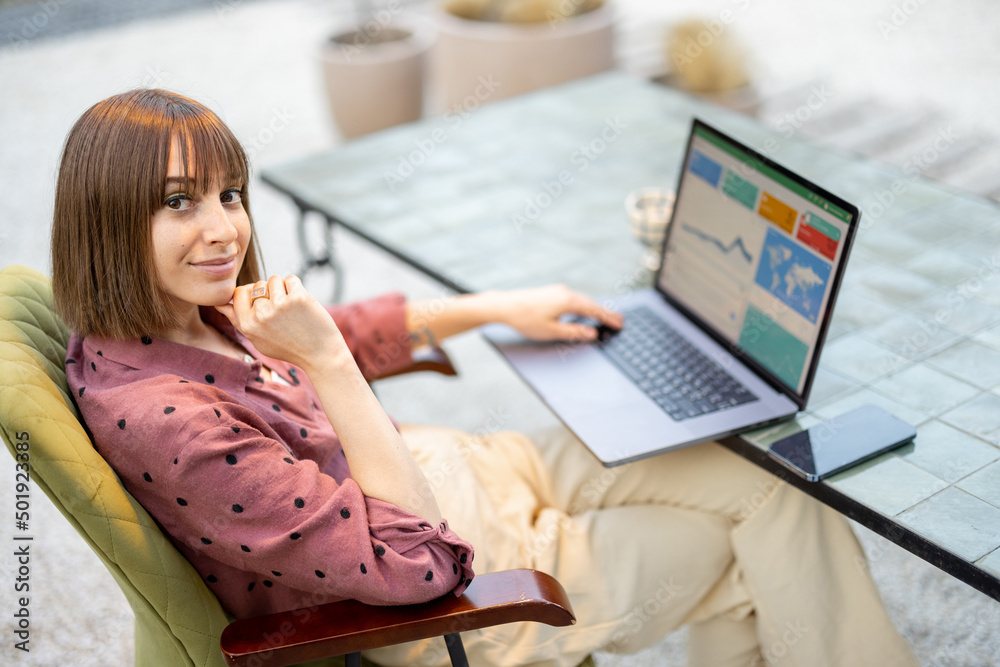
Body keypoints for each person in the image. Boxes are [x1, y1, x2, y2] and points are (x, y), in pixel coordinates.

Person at [52, 88, 918, 667]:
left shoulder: (170, 313)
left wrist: (502, 305)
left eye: (229, 194)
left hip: (473, 465)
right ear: (105, 219)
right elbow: (417, 561)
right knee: (751, 547)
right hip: (461, 567)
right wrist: (326, 361)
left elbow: (344, 330)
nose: (223, 230)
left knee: (769, 474)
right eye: (179, 201)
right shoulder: (171, 422)